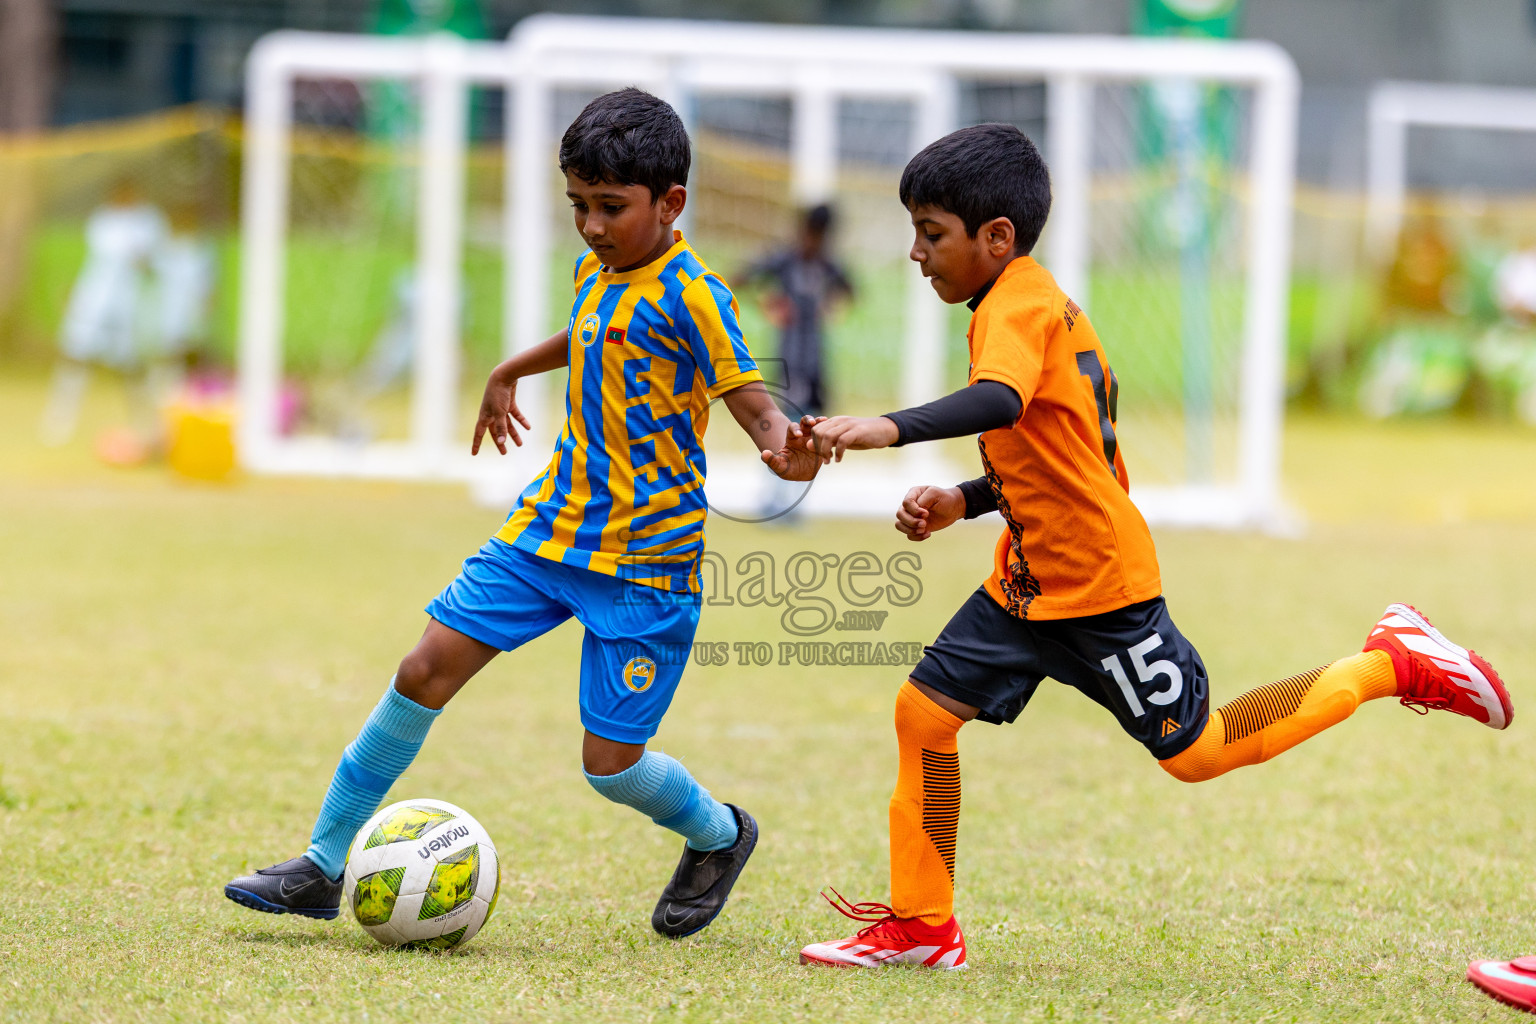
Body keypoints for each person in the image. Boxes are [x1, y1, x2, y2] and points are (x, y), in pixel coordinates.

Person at [795, 123, 1514, 970]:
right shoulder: (1028, 301)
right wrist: (965, 498)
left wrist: (885, 427)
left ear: (996, 238)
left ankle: (1389, 662)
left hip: (1099, 589)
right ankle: (922, 926)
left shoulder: (1014, 306)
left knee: (1199, 753)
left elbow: (995, 402)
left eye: (931, 232)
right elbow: (1066, 456)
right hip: (1029, 584)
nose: (916, 253)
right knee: (924, 713)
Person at [224, 88, 820, 938]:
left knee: (610, 769)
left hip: (644, 564)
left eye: (610, 208)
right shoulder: (596, 269)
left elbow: (754, 404)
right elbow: (588, 330)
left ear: (671, 203)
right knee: (422, 668)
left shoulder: (698, 298)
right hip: (546, 533)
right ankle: (323, 864)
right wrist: (509, 367)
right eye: (578, 205)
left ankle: (720, 835)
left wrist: (781, 446)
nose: (591, 226)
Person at [40, 180, 166, 447]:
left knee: (131, 367)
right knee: (76, 358)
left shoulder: (149, 220)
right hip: (95, 300)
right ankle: (58, 422)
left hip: (127, 305)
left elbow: (149, 263)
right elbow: (106, 256)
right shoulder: (103, 220)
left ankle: (145, 425)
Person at [737, 203, 853, 419]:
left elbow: (850, 291)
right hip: (790, 352)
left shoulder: (827, 262)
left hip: (816, 353)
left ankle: (810, 451)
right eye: (812, 233)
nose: (815, 241)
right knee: (791, 414)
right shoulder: (783, 259)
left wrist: (831, 303)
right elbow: (737, 280)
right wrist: (767, 302)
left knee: (818, 414)